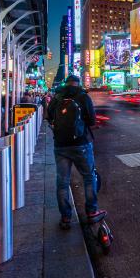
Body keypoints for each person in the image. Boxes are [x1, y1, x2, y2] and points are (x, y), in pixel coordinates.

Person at [48, 75, 105, 230]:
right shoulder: (82, 96)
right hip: (81, 143)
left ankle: (66, 217)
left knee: (62, 182)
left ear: (66, 84)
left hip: (60, 146)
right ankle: (92, 212)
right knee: (88, 177)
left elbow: (48, 117)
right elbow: (92, 121)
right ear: (78, 84)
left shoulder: (57, 96)